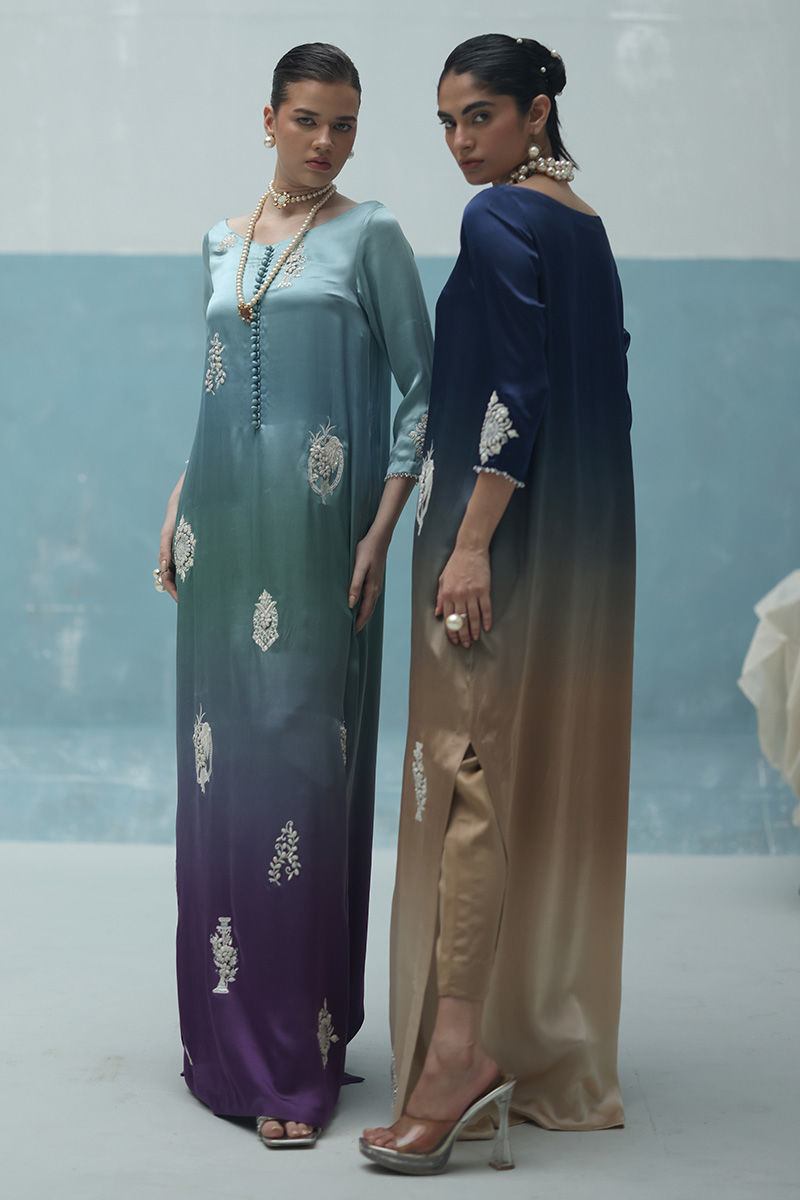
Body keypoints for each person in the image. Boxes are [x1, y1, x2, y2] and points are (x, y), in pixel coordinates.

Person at [361, 33, 635, 1174]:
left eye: (479, 116)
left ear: (535, 114)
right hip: (573, 548)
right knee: (510, 776)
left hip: (494, 541)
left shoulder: (497, 219)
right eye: (445, 120)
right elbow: (607, 386)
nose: (458, 141)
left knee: (465, 779)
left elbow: (514, 393)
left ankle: (455, 1060)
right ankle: (506, 1038)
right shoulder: (583, 224)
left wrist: (469, 545)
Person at [155, 42, 431, 1145]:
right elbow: (215, 394)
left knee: (299, 784)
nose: (326, 142)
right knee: (220, 781)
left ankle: (292, 1056)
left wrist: (380, 531)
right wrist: (176, 502)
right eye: (308, 119)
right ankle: (223, 1046)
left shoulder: (371, 236)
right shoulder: (220, 241)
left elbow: (423, 390)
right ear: (267, 119)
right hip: (222, 543)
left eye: (345, 124)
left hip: (322, 549)